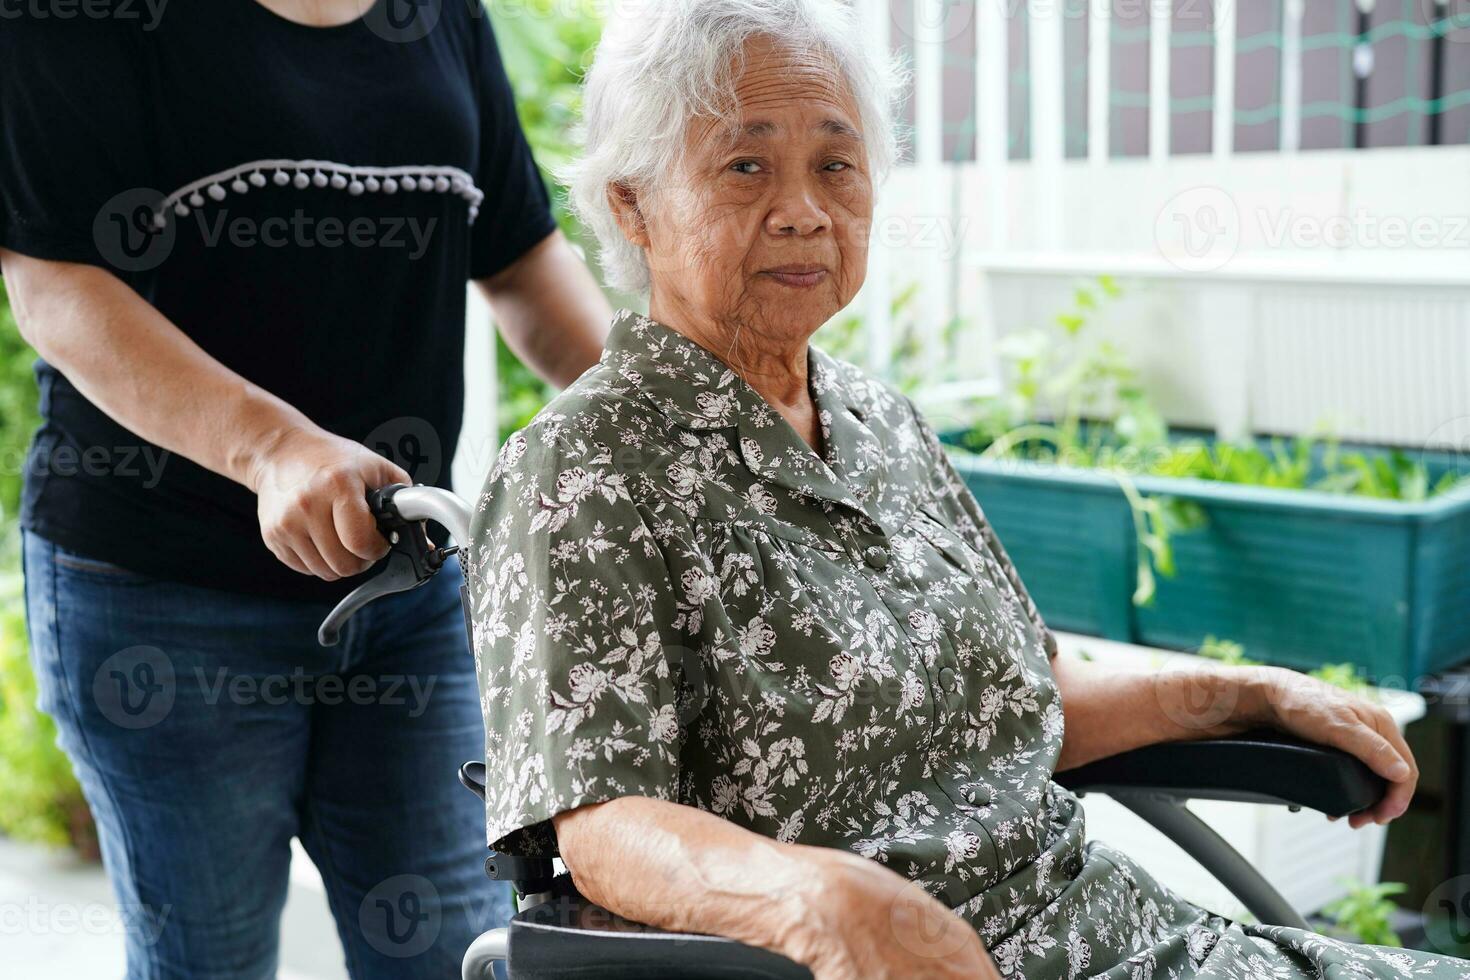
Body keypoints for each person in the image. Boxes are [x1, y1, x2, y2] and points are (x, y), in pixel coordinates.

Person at [464, 2, 1466, 977]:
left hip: (1111, 930)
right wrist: (822, 901)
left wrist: (1241, 691)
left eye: (836, 164)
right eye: (746, 164)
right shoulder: (585, 464)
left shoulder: (878, 418)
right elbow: (604, 822)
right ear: (634, 201)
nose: (805, 208)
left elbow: (1031, 699)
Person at [0, 1, 609, 976]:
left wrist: (667, 420)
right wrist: (272, 448)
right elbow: (53, 282)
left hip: (407, 587)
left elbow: (523, 259)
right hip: (163, 591)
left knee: (450, 951)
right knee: (208, 960)